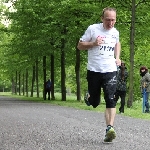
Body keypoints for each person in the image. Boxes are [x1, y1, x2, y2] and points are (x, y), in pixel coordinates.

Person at [77, 7, 121, 142]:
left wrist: (117, 57)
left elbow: (117, 43)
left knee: (111, 98)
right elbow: (80, 45)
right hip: (94, 70)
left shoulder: (115, 32)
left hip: (110, 70)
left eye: (113, 20)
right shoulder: (93, 29)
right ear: (102, 19)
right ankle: (89, 97)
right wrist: (93, 43)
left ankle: (109, 129)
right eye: (108, 20)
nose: (110, 23)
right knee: (95, 102)